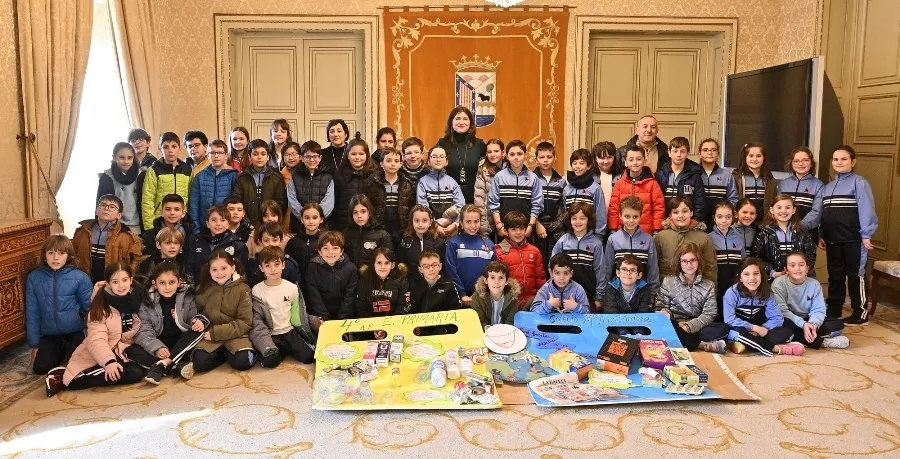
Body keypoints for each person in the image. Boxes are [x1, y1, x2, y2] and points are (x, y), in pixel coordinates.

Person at [44, 263, 146, 396]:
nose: (121, 286)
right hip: (101, 350)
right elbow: (97, 340)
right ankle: (67, 377)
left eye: (125, 280)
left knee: (143, 368)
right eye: (115, 282)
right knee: (134, 373)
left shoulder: (138, 298)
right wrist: (109, 362)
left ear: (131, 280)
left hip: (124, 349)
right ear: (108, 283)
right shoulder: (100, 307)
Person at [820, 145, 878, 325]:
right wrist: (822, 234)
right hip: (832, 240)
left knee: (856, 276)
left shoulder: (859, 183)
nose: (839, 162)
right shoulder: (828, 187)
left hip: (854, 239)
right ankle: (834, 309)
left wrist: (866, 234)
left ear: (853, 162)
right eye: (836, 159)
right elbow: (824, 213)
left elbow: (866, 209)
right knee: (834, 275)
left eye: (844, 159)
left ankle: (860, 313)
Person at [129, 262, 208, 384]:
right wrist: (157, 348)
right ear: (155, 284)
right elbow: (143, 331)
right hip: (160, 344)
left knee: (199, 330)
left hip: (181, 344)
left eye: (171, 282)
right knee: (129, 351)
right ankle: (175, 366)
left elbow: (193, 320)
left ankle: (163, 365)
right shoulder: (145, 300)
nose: (167, 287)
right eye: (162, 283)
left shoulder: (188, 296)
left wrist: (195, 321)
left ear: (179, 282)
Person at [26, 235, 93, 375]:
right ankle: (62, 353)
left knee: (84, 366)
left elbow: (91, 309)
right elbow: (32, 313)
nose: (55, 258)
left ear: (68, 256)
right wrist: (35, 345)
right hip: (50, 335)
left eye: (61, 253)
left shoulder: (80, 277)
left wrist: (91, 337)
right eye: (51, 253)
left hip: (76, 332)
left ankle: (70, 354)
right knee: (40, 368)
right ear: (45, 255)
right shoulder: (34, 278)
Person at [654, 243, 729, 353]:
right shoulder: (668, 282)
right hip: (675, 323)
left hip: (697, 326)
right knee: (663, 326)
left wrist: (689, 327)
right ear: (679, 263)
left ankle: (680, 340)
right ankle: (702, 345)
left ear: (699, 261)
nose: (689, 265)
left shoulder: (708, 285)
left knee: (723, 328)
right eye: (684, 261)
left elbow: (710, 313)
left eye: (693, 260)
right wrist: (664, 312)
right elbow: (660, 307)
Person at [250, 246, 315, 369]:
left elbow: (299, 313)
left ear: (283, 265)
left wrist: (316, 321)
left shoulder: (291, 287)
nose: (273, 269)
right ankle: (281, 351)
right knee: (269, 362)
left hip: (289, 331)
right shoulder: (257, 290)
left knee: (309, 356)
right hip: (270, 334)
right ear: (261, 268)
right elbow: (257, 319)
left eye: (276, 264)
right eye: (267, 266)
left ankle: (285, 349)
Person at [191, 250, 255, 373]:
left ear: (232, 268)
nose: (219, 273)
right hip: (210, 336)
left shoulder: (243, 289)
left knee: (244, 362)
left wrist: (218, 332)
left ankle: (232, 353)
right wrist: (198, 321)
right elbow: (197, 313)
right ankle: (222, 355)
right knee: (199, 362)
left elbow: (246, 322)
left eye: (224, 268)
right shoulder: (202, 289)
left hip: (235, 334)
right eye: (214, 270)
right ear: (209, 271)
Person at [723, 257, 803, 356]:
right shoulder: (732, 293)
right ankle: (775, 348)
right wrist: (753, 328)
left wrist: (761, 329)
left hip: (761, 329)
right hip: (741, 328)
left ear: (761, 275)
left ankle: (745, 343)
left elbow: (777, 318)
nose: (752, 278)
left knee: (788, 331)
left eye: (756, 273)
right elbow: (729, 319)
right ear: (740, 278)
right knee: (734, 332)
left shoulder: (767, 293)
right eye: (746, 274)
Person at [773, 252, 849, 349]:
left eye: (801, 265)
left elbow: (819, 309)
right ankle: (822, 342)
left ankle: (803, 336)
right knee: (781, 326)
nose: (797, 268)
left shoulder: (814, 284)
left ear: (807, 268)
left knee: (837, 324)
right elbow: (782, 311)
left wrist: (813, 325)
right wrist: (803, 324)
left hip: (809, 318)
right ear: (786, 270)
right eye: (792, 265)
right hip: (790, 319)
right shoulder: (779, 283)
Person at [73, 195, 143, 283]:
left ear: (119, 215)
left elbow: (136, 263)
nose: (106, 208)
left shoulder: (127, 237)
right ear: (96, 211)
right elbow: (72, 257)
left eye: (112, 207)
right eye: (103, 205)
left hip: (114, 286)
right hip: (84, 283)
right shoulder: (82, 232)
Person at [603, 196, 659, 298]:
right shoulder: (613, 239)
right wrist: (604, 294)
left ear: (640, 216)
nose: (631, 220)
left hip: (642, 294)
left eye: (635, 216)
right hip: (617, 294)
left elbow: (653, 270)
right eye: (627, 216)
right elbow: (607, 269)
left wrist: (653, 295)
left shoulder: (649, 240)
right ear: (620, 216)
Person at [552, 202, 605, 311]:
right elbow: (552, 267)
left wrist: (599, 297)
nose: (578, 222)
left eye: (582, 218)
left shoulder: (596, 244)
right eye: (574, 218)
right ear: (569, 220)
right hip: (564, 294)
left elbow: (600, 272)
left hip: (588, 295)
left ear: (588, 220)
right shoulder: (563, 241)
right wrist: (554, 292)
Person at [752, 194, 817, 280]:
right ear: (772, 210)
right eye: (779, 208)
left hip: (799, 279)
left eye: (787, 208)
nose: (783, 211)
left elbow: (810, 255)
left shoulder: (802, 231)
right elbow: (757, 257)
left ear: (793, 210)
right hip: (772, 279)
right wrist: (773, 273)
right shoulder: (763, 232)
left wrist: (799, 272)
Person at [489, 140, 543, 239]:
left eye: (519, 154)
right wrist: (499, 225)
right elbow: (493, 203)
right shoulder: (499, 177)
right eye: (512, 154)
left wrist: (531, 226)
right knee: (504, 254)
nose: (516, 157)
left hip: (525, 229)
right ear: (507, 156)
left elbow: (537, 205)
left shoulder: (533, 178)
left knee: (525, 254)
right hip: (504, 230)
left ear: (525, 155)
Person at [654, 197, 716, 283]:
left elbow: (710, 268)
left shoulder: (703, 238)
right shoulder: (661, 237)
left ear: (691, 213)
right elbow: (654, 268)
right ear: (670, 215)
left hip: (696, 289)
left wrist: (711, 291)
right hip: (667, 290)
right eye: (676, 212)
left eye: (685, 211)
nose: (681, 215)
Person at [445, 205, 497, 305]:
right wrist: (461, 293)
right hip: (462, 299)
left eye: (476, 221)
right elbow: (451, 271)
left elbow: (495, 271)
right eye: (468, 221)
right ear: (461, 223)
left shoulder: (489, 244)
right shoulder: (453, 243)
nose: (473, 226)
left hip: (484, 297)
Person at [141, 132, 192, 231]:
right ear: (160, 150)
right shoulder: (154, 170)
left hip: (181, 221)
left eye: (174, 146)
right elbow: (147, 200)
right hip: (160, 222)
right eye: (166, 147)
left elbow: (190, 197)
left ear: (180, 149)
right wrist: (149, 228)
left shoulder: (187, 170)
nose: (170, 150)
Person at [608, 144, 665, 234]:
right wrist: (613, 230)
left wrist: (657, 230)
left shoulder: (652, 184)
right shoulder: (619, 184)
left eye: (638, 159)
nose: (635, 162)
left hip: (645, 233)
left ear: (644, 161)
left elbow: (659, 208)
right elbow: (614, 209)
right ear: (626, 162)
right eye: (631, 160)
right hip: (623, 233)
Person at [231, 139, 287, 228]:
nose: (259, 157)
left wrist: (271, 220)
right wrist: (247, 223)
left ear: (268, 157)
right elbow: (237, 202)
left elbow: (281, 204)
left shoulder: (277, 177)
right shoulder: (242, 178)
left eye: (263, 154)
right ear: (249, 157)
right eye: (255, 154)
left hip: (270, 225)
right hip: (247, 227)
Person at [436, 106, 487, 203]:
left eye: (465, 119)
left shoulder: (479, 145)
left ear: (470, 123)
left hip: (475, 198)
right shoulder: (442, 144)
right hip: (448, 196)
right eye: (457, 118)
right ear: (451, 122)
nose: (461, 122)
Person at [494, 211, 545, 308]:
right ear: (506, 231)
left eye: (521, 229)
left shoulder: (534, 251)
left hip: (532, 300)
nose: (518, 233)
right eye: (513, 229)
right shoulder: (499, 251)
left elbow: (540, 278)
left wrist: (541, 297)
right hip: (509, 301)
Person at [304, 231, 358, 321]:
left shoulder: (351, 269)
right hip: (321, 318)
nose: (330, 252)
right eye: (326, 248)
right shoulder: (312, 268)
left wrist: (342, 319)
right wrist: (324, 318)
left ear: (342, 251)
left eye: (335, 248)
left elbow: (350, 296)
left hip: (345, 317)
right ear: (319, 252)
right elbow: (314, 296)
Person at [187, 205, 249, 282]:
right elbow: (189, 270)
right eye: (213, 220)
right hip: (201, 289)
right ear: (208, 224)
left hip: (227, 290)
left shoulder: (238, 245)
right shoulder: (196, 241)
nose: (218, 224)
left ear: (228, 224)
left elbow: (240, 273)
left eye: (222, 220)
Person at [286, 140, 334, 235]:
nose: (312, 160)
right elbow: (292, 201)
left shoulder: (328, 177)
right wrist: (305, 218)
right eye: (308, 157)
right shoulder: (295, 176)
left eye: (315, 156)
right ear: (301, 158)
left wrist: (316, 218)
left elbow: (329, 202)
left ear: (320, 158)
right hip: (298, 225)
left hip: (321, 226)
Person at [189, 139, 238, 231]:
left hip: (226, 226)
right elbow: (194, 204)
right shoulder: (200, 176)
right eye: (212, 153)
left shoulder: (233, 176)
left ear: (226, 155)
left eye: (219, 153)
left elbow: (236, 203)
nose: (216, 156)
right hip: (204, 226)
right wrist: (196, 228)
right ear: (208, 155)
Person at [417, 145, 466, 237]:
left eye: (441, 157)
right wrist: (435, 225)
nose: (438, 159)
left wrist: (454, 224)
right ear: (428, 161)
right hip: (429, 228)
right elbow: (422, 207)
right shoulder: (423, 182)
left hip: (451, 228)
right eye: (434, 157)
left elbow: (460, 206)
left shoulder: (452, 182)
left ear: (446, 161)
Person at [778, 146, 825, 242]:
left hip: (808, 234)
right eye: (796, 161)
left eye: (805, 160)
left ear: (811, 163)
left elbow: (817, 211)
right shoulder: (783, 184)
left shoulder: (818, 185)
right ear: (791, 163)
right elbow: (777, 207)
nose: (800, 164)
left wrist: (800, 226)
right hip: (784, 232)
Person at [330, 135, 377, 231]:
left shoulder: (374, 175)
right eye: (354, 154)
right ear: (347, 155)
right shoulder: (339, 174)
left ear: (367, 155)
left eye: (361, 154)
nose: (357, 157)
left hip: (368, 226)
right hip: (344, 225)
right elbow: (335, 201)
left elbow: (376, 202)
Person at [655, 137, 706, 223]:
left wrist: (695, 222)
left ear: (687, 153)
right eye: (675, 151)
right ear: (669, 153)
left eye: (682, 151)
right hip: (665, 222)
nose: (678, 155)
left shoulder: (694, 175)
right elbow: (657, 202)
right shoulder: (660, 174)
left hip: (687, 222)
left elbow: (699, 203)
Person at [369, 147, 415, 238]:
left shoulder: (408, 184)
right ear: (382, 164)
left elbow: (412, 208)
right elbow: (369, 206)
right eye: (389, 161)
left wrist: (407, 227)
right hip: (379, 229)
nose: (393, 164)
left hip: (401, 229)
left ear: (401, 164)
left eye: (396, 161)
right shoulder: (374, 184)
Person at [709, 201, 744, 320]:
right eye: (720, 217)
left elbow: (743, 262)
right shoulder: (708, 238)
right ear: (714, 218)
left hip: (734, 283)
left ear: (733, 217)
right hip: (717, 283)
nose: (724, 221)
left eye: (728, 217)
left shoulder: (738, 238)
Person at [533, 141, 566, 264]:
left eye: (549, 157)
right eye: (541, 157)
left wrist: (556, 225)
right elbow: (528, 205)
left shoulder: (561, 181)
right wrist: (536, 224)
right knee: (537, 263)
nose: (545, 160)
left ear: (554, 158)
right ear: (536, 159)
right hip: (536, 229)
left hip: (555, 231)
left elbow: (563, 207)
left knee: (553, 263)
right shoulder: (531, 178)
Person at [603, 255, 654, 335]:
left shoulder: (645, 288)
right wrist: (623, 332)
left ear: (639, 275)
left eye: (632, 270)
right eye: (624, 269)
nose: (628, 273)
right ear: (618, 273)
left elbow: (644, 312)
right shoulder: (610, 288)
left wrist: (638, 332)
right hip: (617, 329)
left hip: (639, 327)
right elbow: (611, 312)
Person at [97, 142, 141, 234]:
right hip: (113, 226)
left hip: (137, 226)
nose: (126, 161)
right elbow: (101, 204)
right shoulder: (106, 177)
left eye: (130, 158)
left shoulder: (142, 175)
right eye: (122, 157)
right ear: (114, 157)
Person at [355, 247, 410, 319]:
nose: (383, 266)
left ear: (392, 265)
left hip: (394, 325)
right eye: (379, 263)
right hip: (370, 326)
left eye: (387, 263)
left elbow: (403, 307)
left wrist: (389, 326)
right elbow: (361, 308)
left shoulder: (402, 281)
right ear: (373, 264)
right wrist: (374, 327)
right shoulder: (364, 281)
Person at [562, 148, 606, 236]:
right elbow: (564, 212)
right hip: (570, 234)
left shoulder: (595, 188)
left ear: (589, 166)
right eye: (574, 163)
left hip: (590, 235)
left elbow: (600, 214)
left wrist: (599, 235)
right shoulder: (567, 188)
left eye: (582, 163)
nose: (577, 166)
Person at [698, 138, 738, 232]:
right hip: (698, 222)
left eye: (713, 150)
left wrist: (724, 215)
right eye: (705, 150)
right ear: (700, 154)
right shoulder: (693, 173)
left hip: (720, 223)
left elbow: (733, 199)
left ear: (718, 153)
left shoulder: (727, 176)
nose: (710, 153)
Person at [396, 204, 446, 279]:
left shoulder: (439, 243)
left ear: (430, 222)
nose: (420, 224)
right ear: (411, 222)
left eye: (424, 220)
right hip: (412, 286)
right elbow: (400, 266)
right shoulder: (406, 242)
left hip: (433, 285)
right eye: (416, 220)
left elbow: (444, 269)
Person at [343, 194, 393, 269]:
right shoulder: (345, 234)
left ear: (369, 212)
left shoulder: (382, 235)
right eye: (355, 212)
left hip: (372, 277)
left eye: (363, 211)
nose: (359, 216)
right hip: (350, 277)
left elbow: (389, 261)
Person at [732, 142, 777, 224]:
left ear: (764, 158)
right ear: (745, 158)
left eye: (759, 156)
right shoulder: (736, 177)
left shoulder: (770, 180)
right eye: (751, 156)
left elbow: (773, 201)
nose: (755, 159)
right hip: (743, 221)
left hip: (763, 222)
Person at [245, 222, 301, 287]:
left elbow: (296, 290)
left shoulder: (290, 264)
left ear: (281, 241)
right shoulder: (252, 264)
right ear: (260, 242)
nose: (271, 244)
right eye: (266, 240)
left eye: (275, 240)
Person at [410, 249, 463, 313]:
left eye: (434, 265)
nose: (431, 269)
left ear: (440, 266)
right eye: (426, 266)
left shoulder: (449, 285)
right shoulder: (415, 285)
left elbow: (456, 310)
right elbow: (412, 310)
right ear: (420, 269)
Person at [471, 261, 521, 328]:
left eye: (501, 278)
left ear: (507, 281)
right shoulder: (477, 297)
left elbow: (510, 322)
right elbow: (480, 322)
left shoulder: (513, 298)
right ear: (486, 280)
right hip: (484, 333)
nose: (496, 282)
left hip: (504, 332)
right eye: (492, 277)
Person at [285, 203, 325, 283]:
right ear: (302, 219)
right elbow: (287, 263)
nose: (311, 221)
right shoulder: (293, 242)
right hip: (297, 283)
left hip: (318, 284)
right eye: (307, 218)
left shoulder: (325, 241)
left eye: (315, 218)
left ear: (321, 219)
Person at [474, 139, 506, 237]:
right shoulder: (482, 170)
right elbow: (479, 198)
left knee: (506, 249)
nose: (492, 154)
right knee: (491, 249)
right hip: (489, 218)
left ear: (503, 152)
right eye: (489, 152)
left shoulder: (511, 168)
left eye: (496, 151)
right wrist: (483, 225)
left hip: (507, 218)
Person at [279, 142, 302, 232]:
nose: (290, 158)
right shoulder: (279, 176)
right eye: (287, 155)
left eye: (293, 154)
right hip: (285, 218)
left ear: (300, 156)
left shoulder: (306, 174)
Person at [592, 141, 622, 209]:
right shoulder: (590, 177)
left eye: (609, 157)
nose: (606, 161)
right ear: (595, 158)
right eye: (602, 158)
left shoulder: (621, 176)